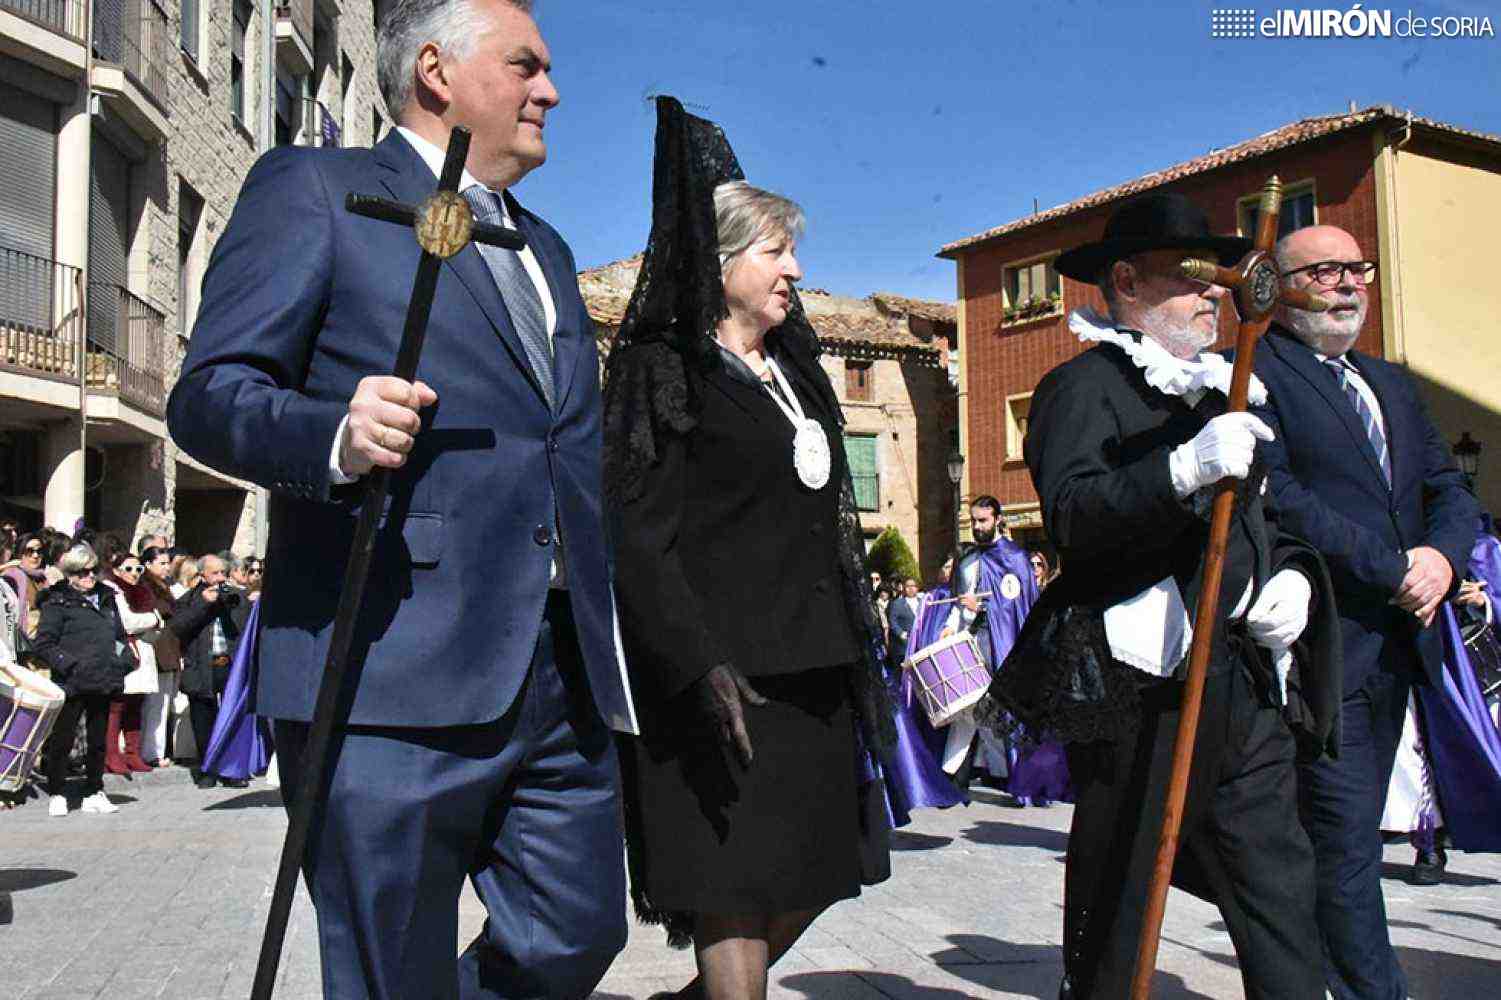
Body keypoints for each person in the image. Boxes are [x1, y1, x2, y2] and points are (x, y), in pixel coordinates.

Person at [165, 2, 635, 995]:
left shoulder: (544, 248)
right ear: (436, 69)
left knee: (576, 935)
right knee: (391, 970)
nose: (550, 90)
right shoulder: (317, 192)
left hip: (556, 672)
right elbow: (209, 396)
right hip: (383, 657)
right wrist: (332, 431)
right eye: (525, 66)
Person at [993, 193, 1337, 999]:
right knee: (1126, 877)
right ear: (1125, 280)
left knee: (1277, 878)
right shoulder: (1082, 387)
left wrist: (1288, 573)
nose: (1214, 291)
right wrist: (1179, 470)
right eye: (1192, 277)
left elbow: (1263, 519)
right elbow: (1075, 516)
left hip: (1241, 677)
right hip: (1143, 684)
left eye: (1218, 277)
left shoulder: (1226, 389)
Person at [604, 97, 893, 1000]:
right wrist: (695, 665)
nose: (795, 271)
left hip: (813, 666)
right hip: (720, 675)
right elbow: (636, 535)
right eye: (775, 252)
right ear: (719, 261)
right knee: (730, 885)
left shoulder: (800, 371)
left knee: (823, 865)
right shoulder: (664, 370)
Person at [1245, 224, 1479, 999]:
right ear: (1279, 287)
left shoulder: (1388, 381)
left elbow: (1447, 486)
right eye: (1325, 271)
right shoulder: (1257, 371)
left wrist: (1442, 558)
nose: (1348, 284)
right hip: (1326, 647)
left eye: (1357, 269)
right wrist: (1392, 568)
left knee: (1354, 838)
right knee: (1341, 842)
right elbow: (1279, 495)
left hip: (1403, 643)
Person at [941, 497, 1049, 799]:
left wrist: (983, 609)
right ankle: (953, 777)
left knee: (1005, 712)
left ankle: (1018, 780)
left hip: (1004, 646)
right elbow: (959, 602)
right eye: (973, 521)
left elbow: (1018, 606)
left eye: (983, 521)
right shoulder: (968, 560)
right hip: (970, 645)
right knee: (966, 709)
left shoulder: (1015, 559)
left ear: (998, 519)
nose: (977, 527)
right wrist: (951, 626)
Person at [32, 544, 140, 817]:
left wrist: (124, 659)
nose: (89, 577)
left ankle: (94, 789)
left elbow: (117, 635)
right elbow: (43, 643)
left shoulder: (106, 597)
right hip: (73, 680)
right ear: (70, 574)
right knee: (63, 738)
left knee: (99, 738)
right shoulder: (57, 601)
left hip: (104, 677)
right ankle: (57, 790)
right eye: (82, 572)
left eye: (93, 571)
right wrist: (69, 665)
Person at [171, 554, 251, 789]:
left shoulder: (236, 597)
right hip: (201, 667)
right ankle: (208, 768)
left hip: (229, 664)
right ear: (202, 575)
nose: (219, 578)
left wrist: (232, 601)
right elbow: (178, 628)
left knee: (231, 717)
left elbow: (243, 627)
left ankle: (231, 769)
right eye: (214, 573)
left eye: (223, 573)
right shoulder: (189, 600)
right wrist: (204, 605)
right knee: (203, 719)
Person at [100, 551, 164, 775]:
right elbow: (127, 622)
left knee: (136, 704)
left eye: (139, 569)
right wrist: (152, 620)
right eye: (129, 569)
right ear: (117, 570)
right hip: (123, 652)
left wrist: (152, 622)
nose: (134, 574)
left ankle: (132, 753)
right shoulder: (112, 590)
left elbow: (159, 624)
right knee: (117, 704)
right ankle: (111, 756)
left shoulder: (144, 591)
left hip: (144, 650)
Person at [139, 545, 184, 765]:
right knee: (154, 704)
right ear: (148, 564)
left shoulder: (163, 586)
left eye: (168, 563)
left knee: (162, 703)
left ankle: (155, 750)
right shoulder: (147, 585)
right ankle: (151, 752)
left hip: (167, 648)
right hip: (156, 648)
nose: (167, 567)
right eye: (162, 563)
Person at [886, 577, 922, 672]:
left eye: (913, 586)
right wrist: (901, 633)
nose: (910, 588)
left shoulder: (922, 602)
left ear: (917, 588)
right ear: (904, 588)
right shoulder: (897, 603)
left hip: (921, 644)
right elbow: (892, 621)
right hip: (905, 646)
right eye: (907, 586)